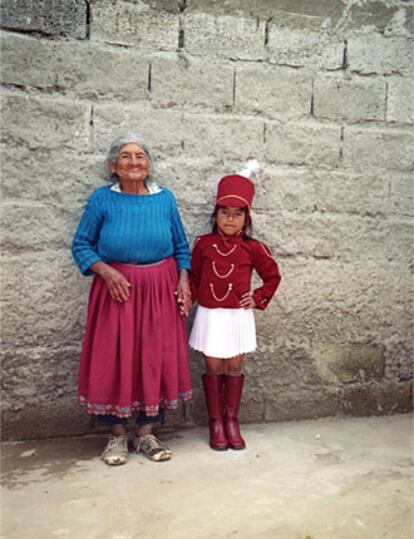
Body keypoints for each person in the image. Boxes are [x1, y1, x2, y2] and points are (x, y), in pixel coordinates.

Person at [72, 133, 192, 465]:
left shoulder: (164, 199)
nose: (134, 162)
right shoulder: (102, 199)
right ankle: (116, 438)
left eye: (140, 156)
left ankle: (147, 434)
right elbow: (81, 245)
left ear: (149, 165)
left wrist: (184, 280)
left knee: (155, 356)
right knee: (116, 358)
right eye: (126, 156)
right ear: (113, 166)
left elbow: (181, 246)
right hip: (117, 291)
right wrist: (107, 273)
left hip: (159, 290)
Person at [189, 164, 281, 451]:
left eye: (237, 213)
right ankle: (215, 422)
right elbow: (192, 277)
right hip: (211, 315)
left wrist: (258, 297)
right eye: (224, 212)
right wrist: (183, 302)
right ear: (215, 214)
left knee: (235, 365)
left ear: (246, 218)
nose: (230, 219)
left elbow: (273, 275)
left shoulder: (254, 248)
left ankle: (232, 420)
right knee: (214, 364)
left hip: (237, 316)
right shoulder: (203, 244)